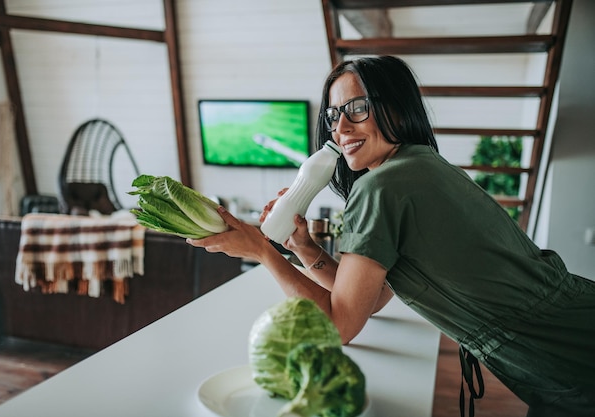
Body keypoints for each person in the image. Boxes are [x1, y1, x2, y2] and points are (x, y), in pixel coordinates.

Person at [187, 55, 595, 417]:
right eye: (333, 115)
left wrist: (261, 249)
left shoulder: (380, 188)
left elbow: (340, 327)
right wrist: (303, 247)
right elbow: (373, 297)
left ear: (397, 109)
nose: (341, 128)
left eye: (358, 108)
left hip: (567, 356)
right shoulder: (424, 165)